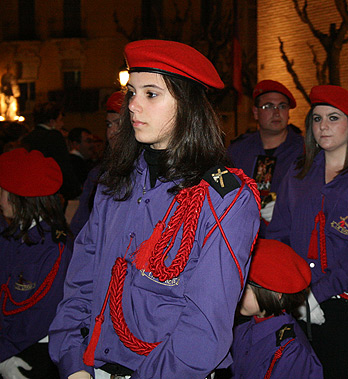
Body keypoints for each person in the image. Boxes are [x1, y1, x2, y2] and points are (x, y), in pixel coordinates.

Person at [48, 40, 260, 379]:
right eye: (131, 92)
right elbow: (81, 281)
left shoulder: (225, 198)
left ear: (188, 105)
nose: (133, 105)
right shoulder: (114, 183)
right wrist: (73, 362)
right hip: (95, 367)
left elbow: (205, 323)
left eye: (151, 94)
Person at [266, 85, 348, 379]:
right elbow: (279, 233)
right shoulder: (298, 172)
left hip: (347, 308)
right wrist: (286, 286)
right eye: (317, 118)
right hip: (297, 299)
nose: (323, 126)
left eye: (333, 118)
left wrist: (316, 294)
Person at [0, 148, 72, 379]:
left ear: (16, 197)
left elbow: (39, 317)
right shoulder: (11, 233)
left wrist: (3, 354)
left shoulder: (54, 248)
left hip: (31, 350)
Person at [230, 238, 323, 378]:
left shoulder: (291, 350)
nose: (238, 293)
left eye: (247, 288)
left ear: (276, 294)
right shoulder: (243, 329)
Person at [228, 80, 303, 229]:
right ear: (256, 112)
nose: (276, 112)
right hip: (243, 233)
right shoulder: (238, 151)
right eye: (268, 106)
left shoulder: (305, 151)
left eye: (282, 106)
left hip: (287, 235)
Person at [69, 91, 125, 237]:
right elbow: (80, 224)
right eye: (108, 124)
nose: (111, 132)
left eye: (118, 123)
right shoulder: (98, 174)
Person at [22, 102, 81, 202]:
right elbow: (63, 165)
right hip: (52, 191)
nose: (63, 124)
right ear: (52, 121)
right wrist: (75, 189)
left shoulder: (28, 137)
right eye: (61, 120)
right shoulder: (54, 136)